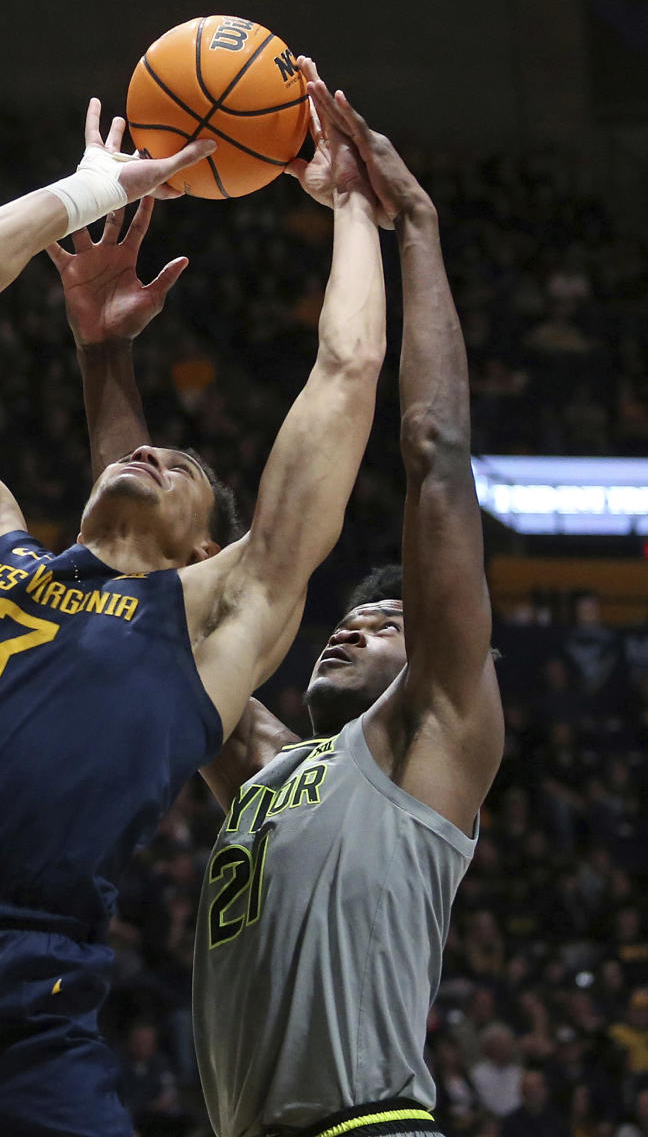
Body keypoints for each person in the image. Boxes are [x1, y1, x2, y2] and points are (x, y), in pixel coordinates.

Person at [0, 77, 386, 1137]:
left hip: (19, 995)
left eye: (180, 464)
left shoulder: (212, 616)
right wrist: (85, 187)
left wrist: (352, 209)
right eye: (145, 443)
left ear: (204, 544)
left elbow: (348, 365)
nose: (149, 449)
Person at [61, 86, 504, 1137]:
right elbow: (135, 579)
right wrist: (101, 351)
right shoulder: (265, 767)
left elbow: (435, 456)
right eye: (356, 618)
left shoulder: (434, 734)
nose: (355, 625)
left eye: (390, 624)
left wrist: (416, 230)